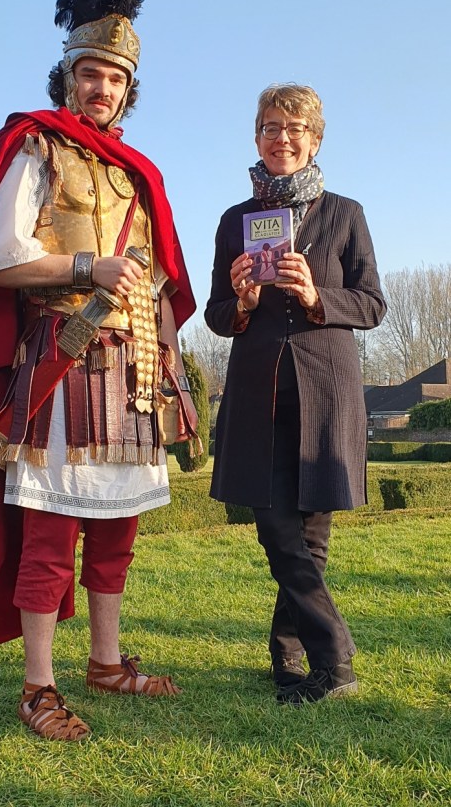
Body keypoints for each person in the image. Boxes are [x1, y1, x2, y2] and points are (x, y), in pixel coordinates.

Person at [0, 0, 197, 741]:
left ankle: (105, 660)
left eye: (114, 78)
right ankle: (37, 685)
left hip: (131, 373)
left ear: (129, 90)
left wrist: (172, 367)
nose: (101, 88)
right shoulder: (36, 150)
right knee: (52, 532)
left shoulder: (138, 173)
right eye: (89, 73)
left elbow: (158, 278)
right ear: (67, 76)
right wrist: (84, 269)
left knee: (116, 531)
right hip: (62, 360)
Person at [205, 83, 386, 705]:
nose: (281, 137)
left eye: (294, 127)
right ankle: (336, 655)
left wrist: (316, 297)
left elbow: (372, 304)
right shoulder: (236, 220)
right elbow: (215, 315)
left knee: (311, 537)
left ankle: (290, 658)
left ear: (315, 139)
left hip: (327, 391)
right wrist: (243, 302)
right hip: (259, 394)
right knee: (276, 528)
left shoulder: (345, 213)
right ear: (256, 137)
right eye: (270, 126)